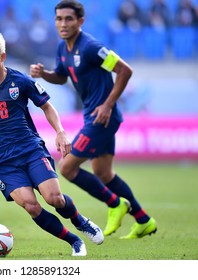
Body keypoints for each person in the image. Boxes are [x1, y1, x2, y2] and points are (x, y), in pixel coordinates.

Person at [0, 30, 104, 257]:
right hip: (2, 161)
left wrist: (60, 132)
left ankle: (80, 220)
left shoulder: (21, 81)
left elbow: (47, 106)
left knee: (53, 198)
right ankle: (74, 240)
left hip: (30, 149)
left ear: (2, 56)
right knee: (31, 205)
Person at [30, 0, 157, 239]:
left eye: (69, 19)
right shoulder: (63, 48)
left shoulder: (90, 47)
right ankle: (143, 220)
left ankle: (115, 204)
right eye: (59, 19)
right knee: (104, 173)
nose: (63, 23)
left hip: (102, 118)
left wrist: (108, 104)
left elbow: (124, 70)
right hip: (94, 116)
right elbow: (60, 76)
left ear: (80, 21)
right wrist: (44, 74)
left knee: (67, 167)